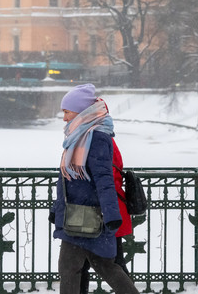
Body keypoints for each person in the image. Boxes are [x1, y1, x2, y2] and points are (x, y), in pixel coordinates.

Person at [51, 83, 139, 294]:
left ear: (80, 111)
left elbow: (104, 179)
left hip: (93, 218)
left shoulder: (96, 137)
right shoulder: (76, 136)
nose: (64, 118)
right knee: (69, 268)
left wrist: (111, 215)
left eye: (67, 112)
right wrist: (56, 209)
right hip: (74, 215)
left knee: (106, 268)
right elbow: (66, 180)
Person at [79, 118, 133, 294]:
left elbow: (104, 178)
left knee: (109, 263)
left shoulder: (98, 139)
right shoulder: (104, 138)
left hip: (103, 210)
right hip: (107, 208)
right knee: (111, 262)